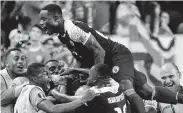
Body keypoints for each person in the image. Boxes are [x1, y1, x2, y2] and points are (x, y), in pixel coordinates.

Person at [39, 4, 183, 113]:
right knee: (146, 91)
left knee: (127, 87)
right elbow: (80, 57)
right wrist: (74, 71)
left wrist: (95, 78)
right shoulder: (62, 35)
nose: (41, 23)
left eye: (44, 19)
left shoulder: (73, 29)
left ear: (56, 18)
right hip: (108, 61)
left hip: (116, 55)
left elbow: (99, 50)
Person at [14, 63, 97, 113]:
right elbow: (53, 109)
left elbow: (59, 100)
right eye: (46, 74)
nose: (50, 77)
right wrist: (82, 100)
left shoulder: (26, 91)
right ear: (35, 79)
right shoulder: (34, 90)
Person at [0, 48, 29, 113]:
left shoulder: (27, 74)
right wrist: (24, 86)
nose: (20, 61)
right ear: (7, 63)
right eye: (16, 59)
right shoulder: (1, 76)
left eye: (23, 59)